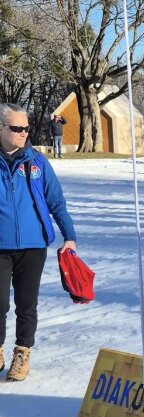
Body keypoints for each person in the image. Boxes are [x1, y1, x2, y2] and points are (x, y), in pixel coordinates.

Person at [0, 102, 78, 381]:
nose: (24, 132)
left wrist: (69, 236)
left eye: (26, 127)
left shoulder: (37, 162)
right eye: (16, 128)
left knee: (26, 303)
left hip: (33, 246)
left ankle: (22, 352)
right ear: (1, 128)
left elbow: (56, 201)